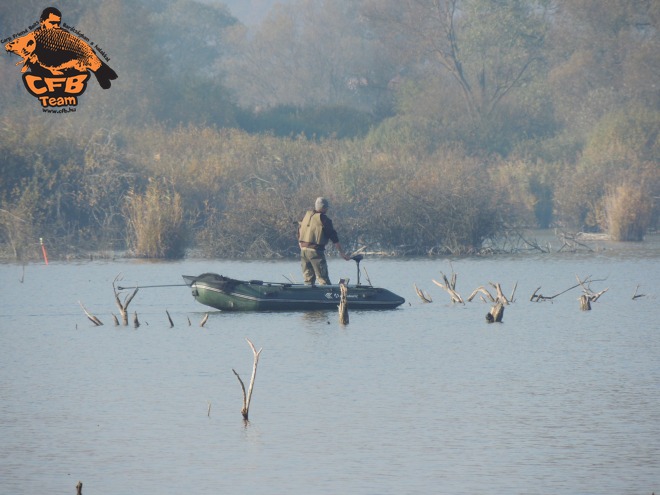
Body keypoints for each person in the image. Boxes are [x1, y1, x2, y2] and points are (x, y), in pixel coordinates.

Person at [298, 197, 350, 285]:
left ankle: (309, 295)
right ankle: (329, 296)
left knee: (308, 280)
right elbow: (334, 237)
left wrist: (301, 245)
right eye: (326, 208)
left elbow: (299, 231)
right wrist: (342, 253)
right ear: (323, 208)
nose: (327, 209)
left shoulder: (306, 216)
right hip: (315, 252)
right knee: (323, 279)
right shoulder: (324, 219)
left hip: (303, 251)